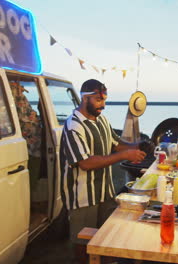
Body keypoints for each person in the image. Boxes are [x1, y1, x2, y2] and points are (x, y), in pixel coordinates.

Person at [59, 79, 148, 263]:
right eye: (99, 100)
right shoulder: (73, 125)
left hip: (104, 191)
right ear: (85, 99)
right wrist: (125, 156)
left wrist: (142, 145)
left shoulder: (102, 120)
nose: (103, 105)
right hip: (82, 196)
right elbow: (85, 163)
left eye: (105, 100)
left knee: (107, 237)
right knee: (83, 242)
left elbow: (117, 145)